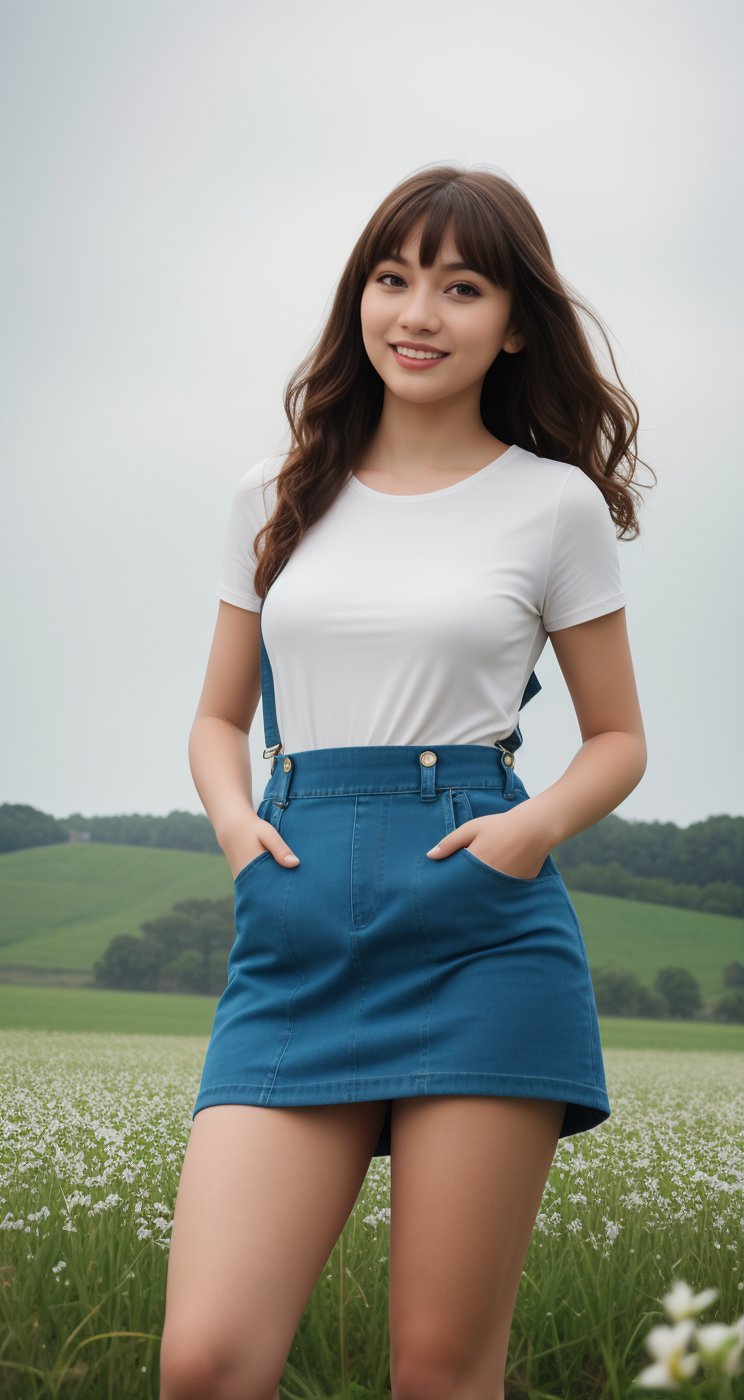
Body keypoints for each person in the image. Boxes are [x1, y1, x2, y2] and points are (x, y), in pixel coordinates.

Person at [159, 163, 650, 1400]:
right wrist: (236, 829)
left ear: (515, 321)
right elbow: (220, 717)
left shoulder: (554, 507)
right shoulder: (272, 497)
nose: (417, 313)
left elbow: (617, 738)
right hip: (294, 920)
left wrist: (527, 833)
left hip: (478, 929)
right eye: (393, 278)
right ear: (360, 299)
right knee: (208, 1361)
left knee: (438, 1370)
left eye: (460, 286)